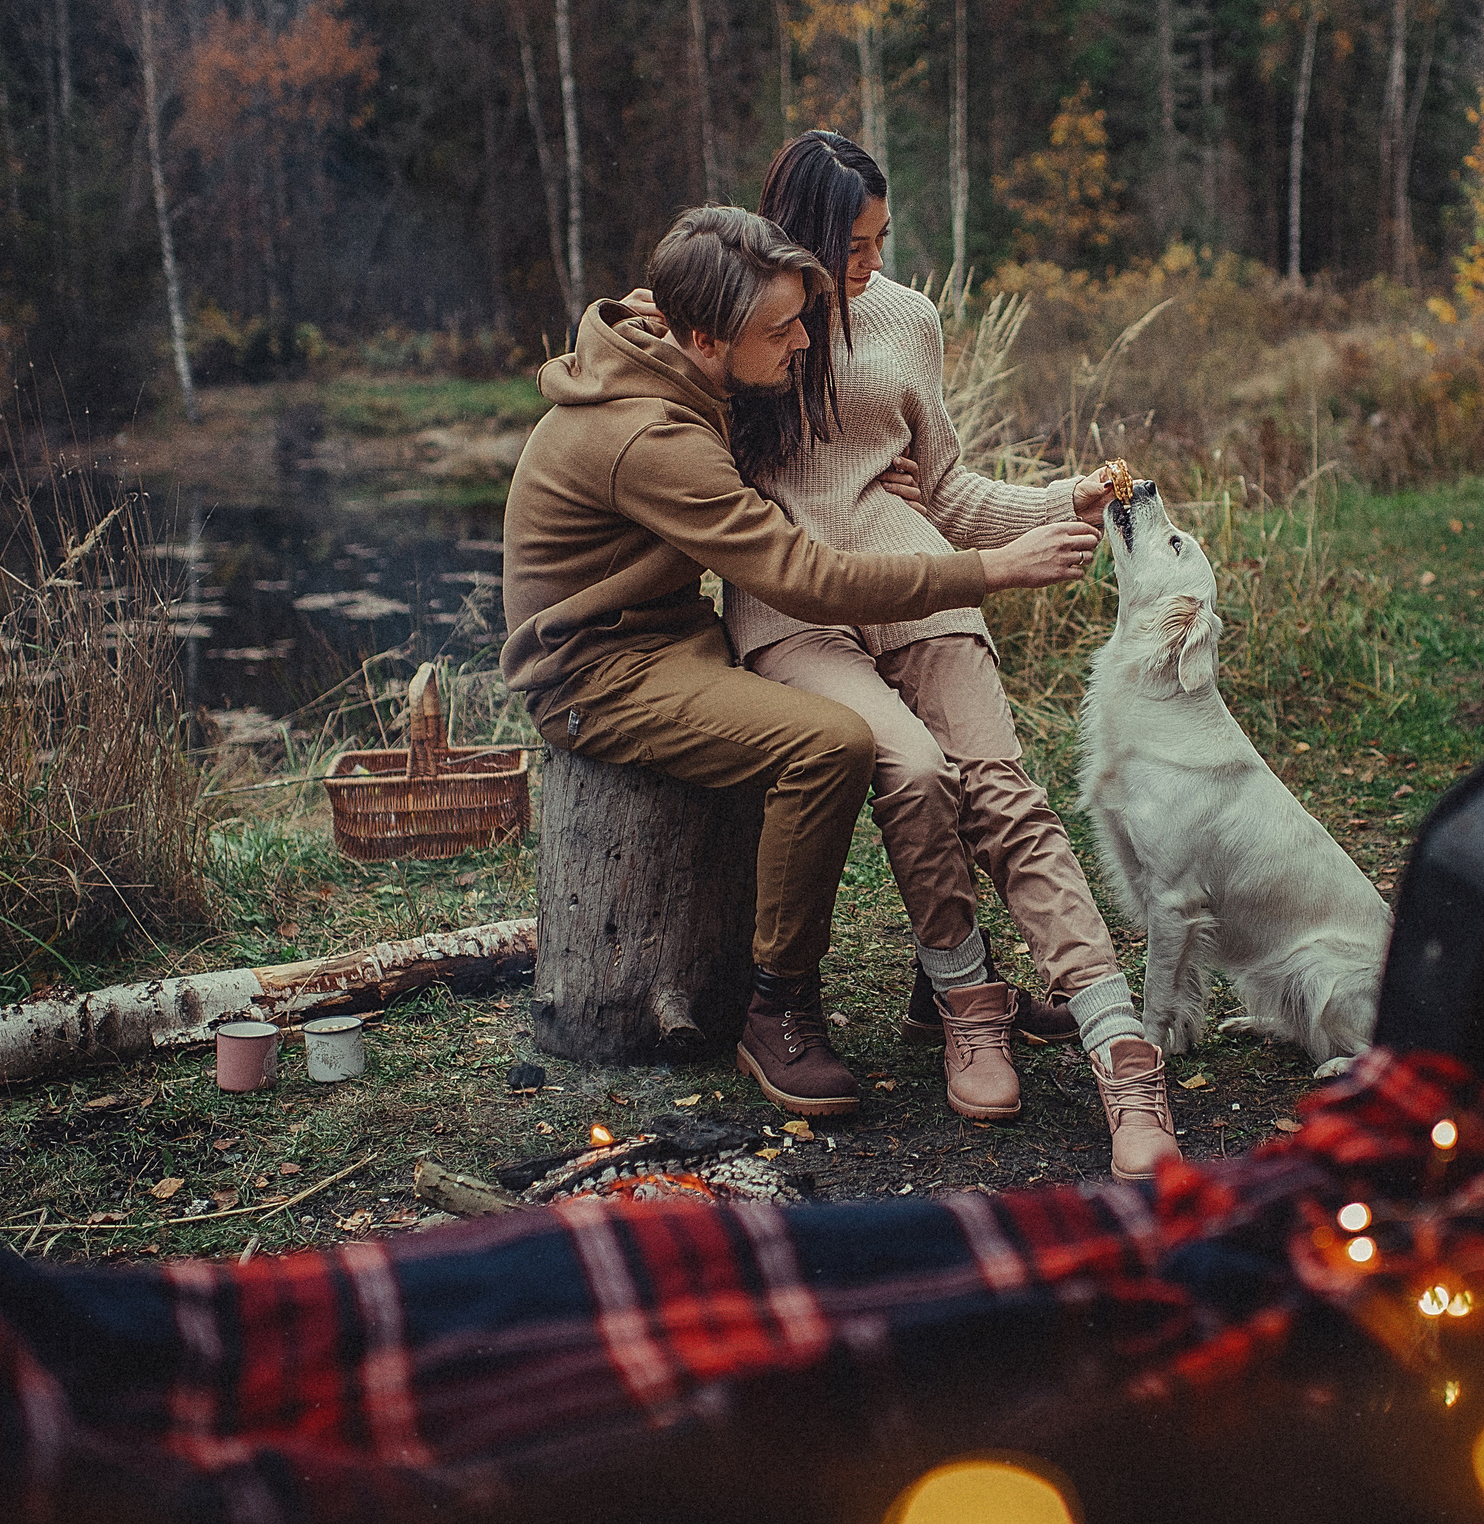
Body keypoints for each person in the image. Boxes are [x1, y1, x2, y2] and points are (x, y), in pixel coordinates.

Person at [500, 206, 1098, 1119]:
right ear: (706, 337)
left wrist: (870, 465)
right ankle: (775, 1003)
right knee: (831, 744)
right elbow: (799, 573)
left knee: (917, 755)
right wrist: (990, 570)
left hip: (667, 629)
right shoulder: (649, 439)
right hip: (595, 669)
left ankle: (945, 989)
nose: (804, 343)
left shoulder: (665, 333)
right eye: (781, 330)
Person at [730, 130, 1183, 1183]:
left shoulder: (907, 317)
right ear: (798, 235)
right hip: (794, 608)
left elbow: (949, 492)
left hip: (922, 577)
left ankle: (1121, 1047)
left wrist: (1053, 501)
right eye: (852, 243)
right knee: (916, 773)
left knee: (1003, 791)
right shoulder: (747, 314)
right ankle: (965, 998)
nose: (872, 263)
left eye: (884, 238)